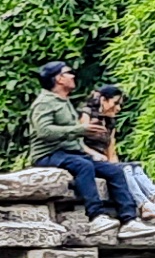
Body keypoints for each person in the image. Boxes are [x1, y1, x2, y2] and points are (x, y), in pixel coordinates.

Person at [23, 59, 125, 220]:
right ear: (59, 79)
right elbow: (44, 131)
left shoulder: (64, 101)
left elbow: (73, 137)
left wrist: (89, 150)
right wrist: (80, 130)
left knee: (114, 170)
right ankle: (96, 216)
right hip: (48, 154)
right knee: (83, 166)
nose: (73, 76)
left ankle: (129, 219)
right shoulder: (44, 103)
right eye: (68, 72)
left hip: (69, 153)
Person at [86, 84, 155, 221]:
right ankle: (143, 205)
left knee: (133, 167)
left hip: (102, 162)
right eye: (115, 103)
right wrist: (93, 154)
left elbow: (111, 150)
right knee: (125, 170)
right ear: (103, 100)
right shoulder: (86, 115)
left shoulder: (109, 122)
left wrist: (115, 166)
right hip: (87, 158)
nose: (118, 108)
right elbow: (75, 143)